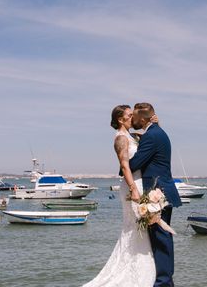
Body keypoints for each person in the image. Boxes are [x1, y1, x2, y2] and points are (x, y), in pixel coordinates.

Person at [82, 105, 156, 287]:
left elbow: (148, 138)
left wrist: (154, 122)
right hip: (132, 186)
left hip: (139, 183)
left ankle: (141, 266)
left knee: (139, 228)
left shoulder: (132, 136)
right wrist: (133, 188)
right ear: (121, 120)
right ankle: (133, 272)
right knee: (134, 227)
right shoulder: (121, 139)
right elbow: (124, 165)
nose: (134, 117)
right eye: (131, 115)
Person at [129, 103, 182, 287]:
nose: (133, 121)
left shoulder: (151, 137)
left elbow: (135, 163)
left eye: (134, 118)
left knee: (161, 238)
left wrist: (123, 166)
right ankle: (166, 280)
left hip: (157, 193)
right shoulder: (156, 133)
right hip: (161, 190)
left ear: (142, 119)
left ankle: (164, 282)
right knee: (162, 236)